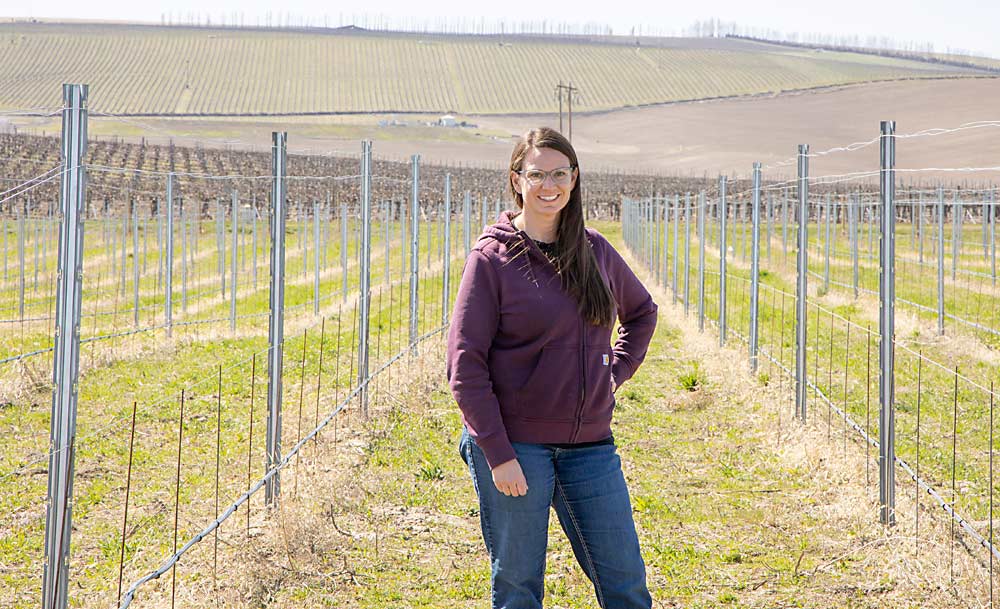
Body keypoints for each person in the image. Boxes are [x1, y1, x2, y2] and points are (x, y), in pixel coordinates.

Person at [446, 126, 658, 609]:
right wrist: (498, 453)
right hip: (518, 445)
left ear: (574, 178)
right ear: (517, 179)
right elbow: (465, 364)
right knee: (519, 587)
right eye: (536, 173)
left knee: (626, 582)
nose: (549, 185)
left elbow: (642, 313)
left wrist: (615, 373)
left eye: (559, 173)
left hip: (591, 448)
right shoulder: (492, 259)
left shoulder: (595, 250)